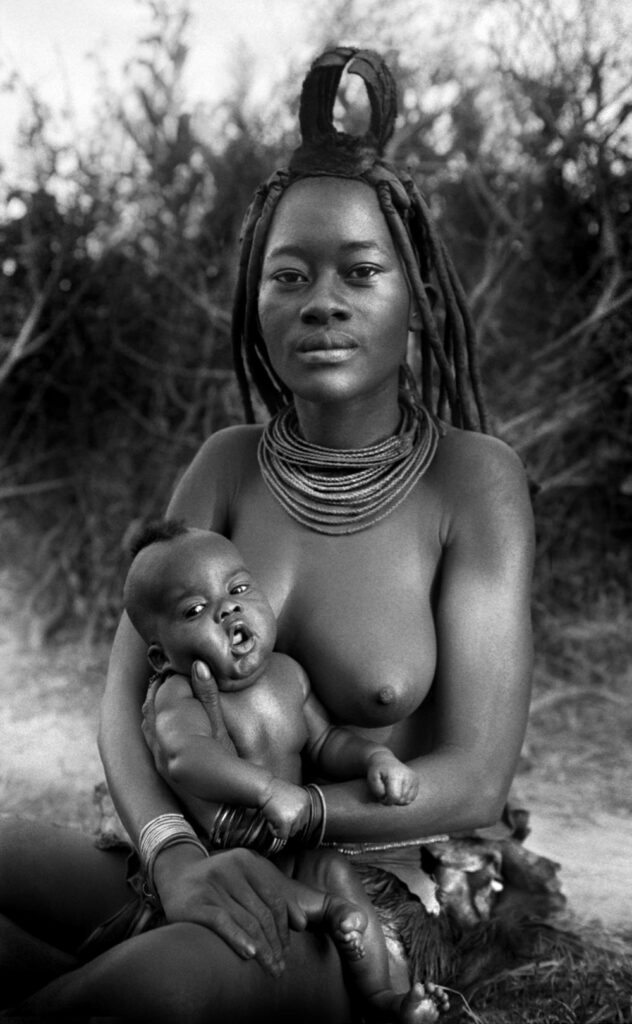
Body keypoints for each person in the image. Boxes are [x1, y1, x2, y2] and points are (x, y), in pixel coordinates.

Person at [0, 46, 545, 1021]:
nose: (321, 300)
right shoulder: (222, 463)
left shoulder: (473, 481)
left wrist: (309, 811)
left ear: (414, 298)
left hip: (362, 892)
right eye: (288, 275)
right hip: (203, 858)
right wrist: (171, 853)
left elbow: (471, 777)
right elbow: (124, 700)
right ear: (256, 305)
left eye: (359, 271)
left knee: (154, 994)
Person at [119, 517, 448, 1022]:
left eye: (239, 588)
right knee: (293, 900)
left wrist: (373, 759)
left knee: (334, 872)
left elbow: (326, 740)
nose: (227, 608)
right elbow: (188, 758)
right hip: (224, 856)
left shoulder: (289, 676)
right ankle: (321, 917)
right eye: (195, 610)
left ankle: (380, 996)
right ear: (163, 655)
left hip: (288, 845)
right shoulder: (177, 693)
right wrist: (266, 788)